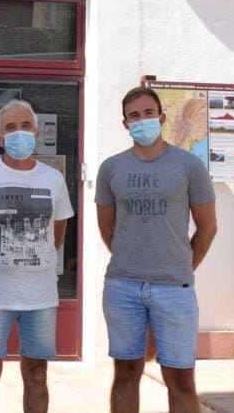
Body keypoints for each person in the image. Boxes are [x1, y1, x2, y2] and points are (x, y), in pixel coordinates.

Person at [95, 86, 217, 413]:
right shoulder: (111, 168)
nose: (142, 120)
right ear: (125, 124)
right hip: (123, 286)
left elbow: (208, 227)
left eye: (149, 113)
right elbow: (107, 229)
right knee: (125, 374)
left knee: (180, 379)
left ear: (162, 117)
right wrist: (132, 255)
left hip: (175, 288)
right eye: (134, 116)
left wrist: (182, 265)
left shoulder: (189, 166)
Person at [0, 99, 73, 413]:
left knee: (37, 374)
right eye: (10, 127)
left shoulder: (53, 179)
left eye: (24, 126)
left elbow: (57, 233)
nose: (18, 133)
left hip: (41, 296)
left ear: (36, 133)